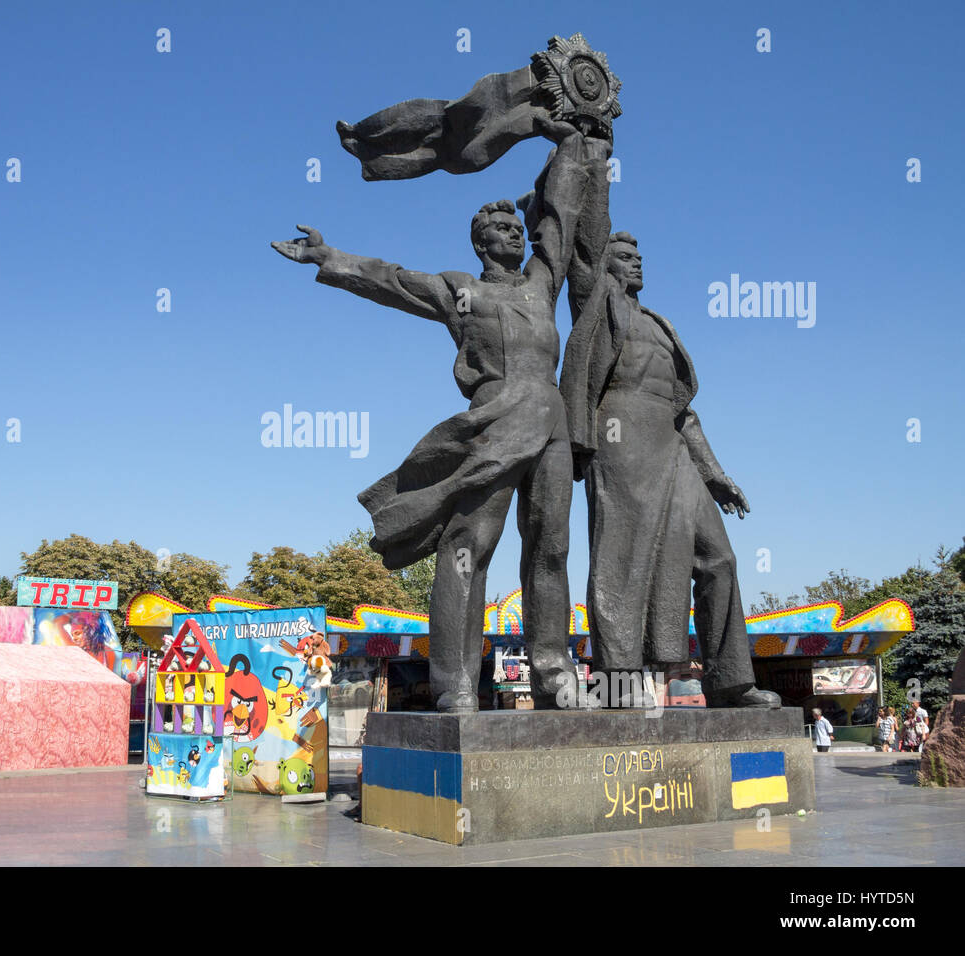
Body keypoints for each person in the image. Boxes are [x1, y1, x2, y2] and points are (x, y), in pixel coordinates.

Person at [273, 118, 610, 711]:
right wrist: (331, 258)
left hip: (551, 419)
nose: (513, 233)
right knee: (470, 541)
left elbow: (556, 223)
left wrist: (574, 148)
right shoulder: (462, 291)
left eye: (514, 226)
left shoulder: (540, 285)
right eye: (501, 229)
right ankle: (454, 682)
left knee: (550, 548)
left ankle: (553, 672)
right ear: (482, 244)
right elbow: (394, 281)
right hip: (495, 419)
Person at [557, 179, 780, 707]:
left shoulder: (659, 322)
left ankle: (730, 680)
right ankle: (619, 683)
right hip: (621, 440)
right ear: (605, 264)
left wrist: (713, 471)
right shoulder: (598, 303)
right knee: (621, 560)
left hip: (672, 444)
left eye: (640, 257)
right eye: (626, 256)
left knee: (717, 558)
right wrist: (589, 166)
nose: (637, 264)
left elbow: (685, 409)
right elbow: (586, 249)